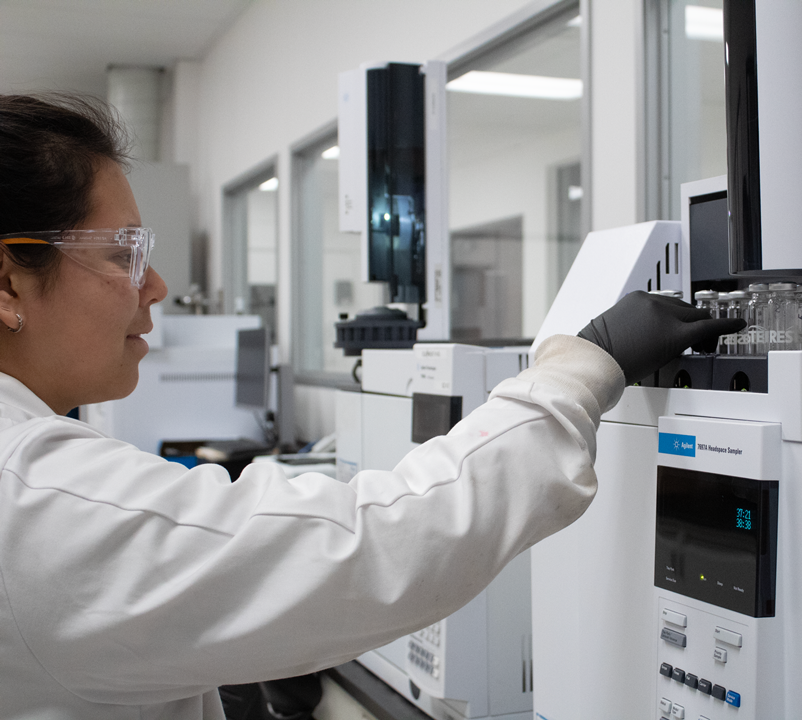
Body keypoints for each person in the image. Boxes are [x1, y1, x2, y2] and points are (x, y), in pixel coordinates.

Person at [0, 93, 744, 719]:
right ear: (8, 284)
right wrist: (582, 370)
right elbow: (373, 545)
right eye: (123, 252)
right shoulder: (35, 502)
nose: (154, 285)